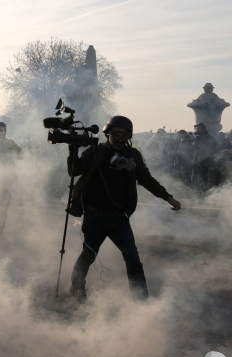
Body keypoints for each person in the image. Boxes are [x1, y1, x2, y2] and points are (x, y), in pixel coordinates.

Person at [66, 116, 181, 302]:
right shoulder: (95, 151)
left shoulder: (133, 155)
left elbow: (146, 179)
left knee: (133, 259)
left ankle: (141, 300)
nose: (119, 139)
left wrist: (168, 197)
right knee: (88, 255)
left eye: (124, 135)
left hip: (119, 218)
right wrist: (73, 150)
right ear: (107, 134)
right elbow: (74, 171)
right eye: (115, 135)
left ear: (129, 136)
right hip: (95, 215)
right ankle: (77, 292)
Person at [190, 122, 217, 192]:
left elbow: (204, 149)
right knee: (194, 180)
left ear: (203, 129)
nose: (197, 130)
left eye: (199, 128)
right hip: (196, 162)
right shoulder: (198, 137)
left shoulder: (208, 138)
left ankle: (204, 195)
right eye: (196, 128)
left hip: (203, 162)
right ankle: (198, 195)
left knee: (202, 180)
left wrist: (194, 140)